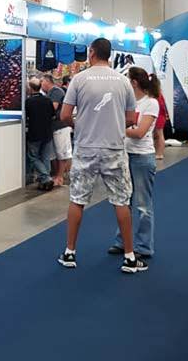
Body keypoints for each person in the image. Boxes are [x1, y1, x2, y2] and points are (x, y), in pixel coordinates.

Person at [56, 38, 144, 274]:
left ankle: (70, 252)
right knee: (121, 200)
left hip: (86, 147)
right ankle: (129, 256)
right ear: (110, 54)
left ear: (92, 52)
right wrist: (113, 124)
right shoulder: (123, 81)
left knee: (77, 199)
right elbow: (131, 118)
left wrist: (79, 125)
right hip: (114, 148)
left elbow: (64, 115)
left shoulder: (79, 79)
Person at [108, 67, 161, 261]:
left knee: (143, 204)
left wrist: (117, 128)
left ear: (134, 83)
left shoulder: (151, 103)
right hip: (125, 155)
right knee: (123, 201)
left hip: (142, 157)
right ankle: (122, 241)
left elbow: (140, 132)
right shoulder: (128, 103)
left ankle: (144, 246)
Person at [40, 73, 71, 188]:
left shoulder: (56, 92)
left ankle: (60, 176)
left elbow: (53, 108)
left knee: (61, 152)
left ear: (47, 81)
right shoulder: (49, 93)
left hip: (60, 127)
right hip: (53, 127)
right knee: (54, 153)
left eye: (42, 81)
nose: (41, 84)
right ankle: (56, 175)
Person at [25, 77, 56, 191]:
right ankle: (44, 182)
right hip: (47, 133)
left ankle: (46, 178)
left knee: (33, 157)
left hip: (35, 133)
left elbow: (26, 117)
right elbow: (53, 115)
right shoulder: (47, 100)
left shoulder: (28, 102)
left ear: (30, 88)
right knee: (45, 157)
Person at [154, 92, 169, 160]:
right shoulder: (158, 93)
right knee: (158, 135)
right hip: (159, 115)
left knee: (159, 134)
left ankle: (159, 153)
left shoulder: (157, 94)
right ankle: (158, 153)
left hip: (159, 116)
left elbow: (162, 106)